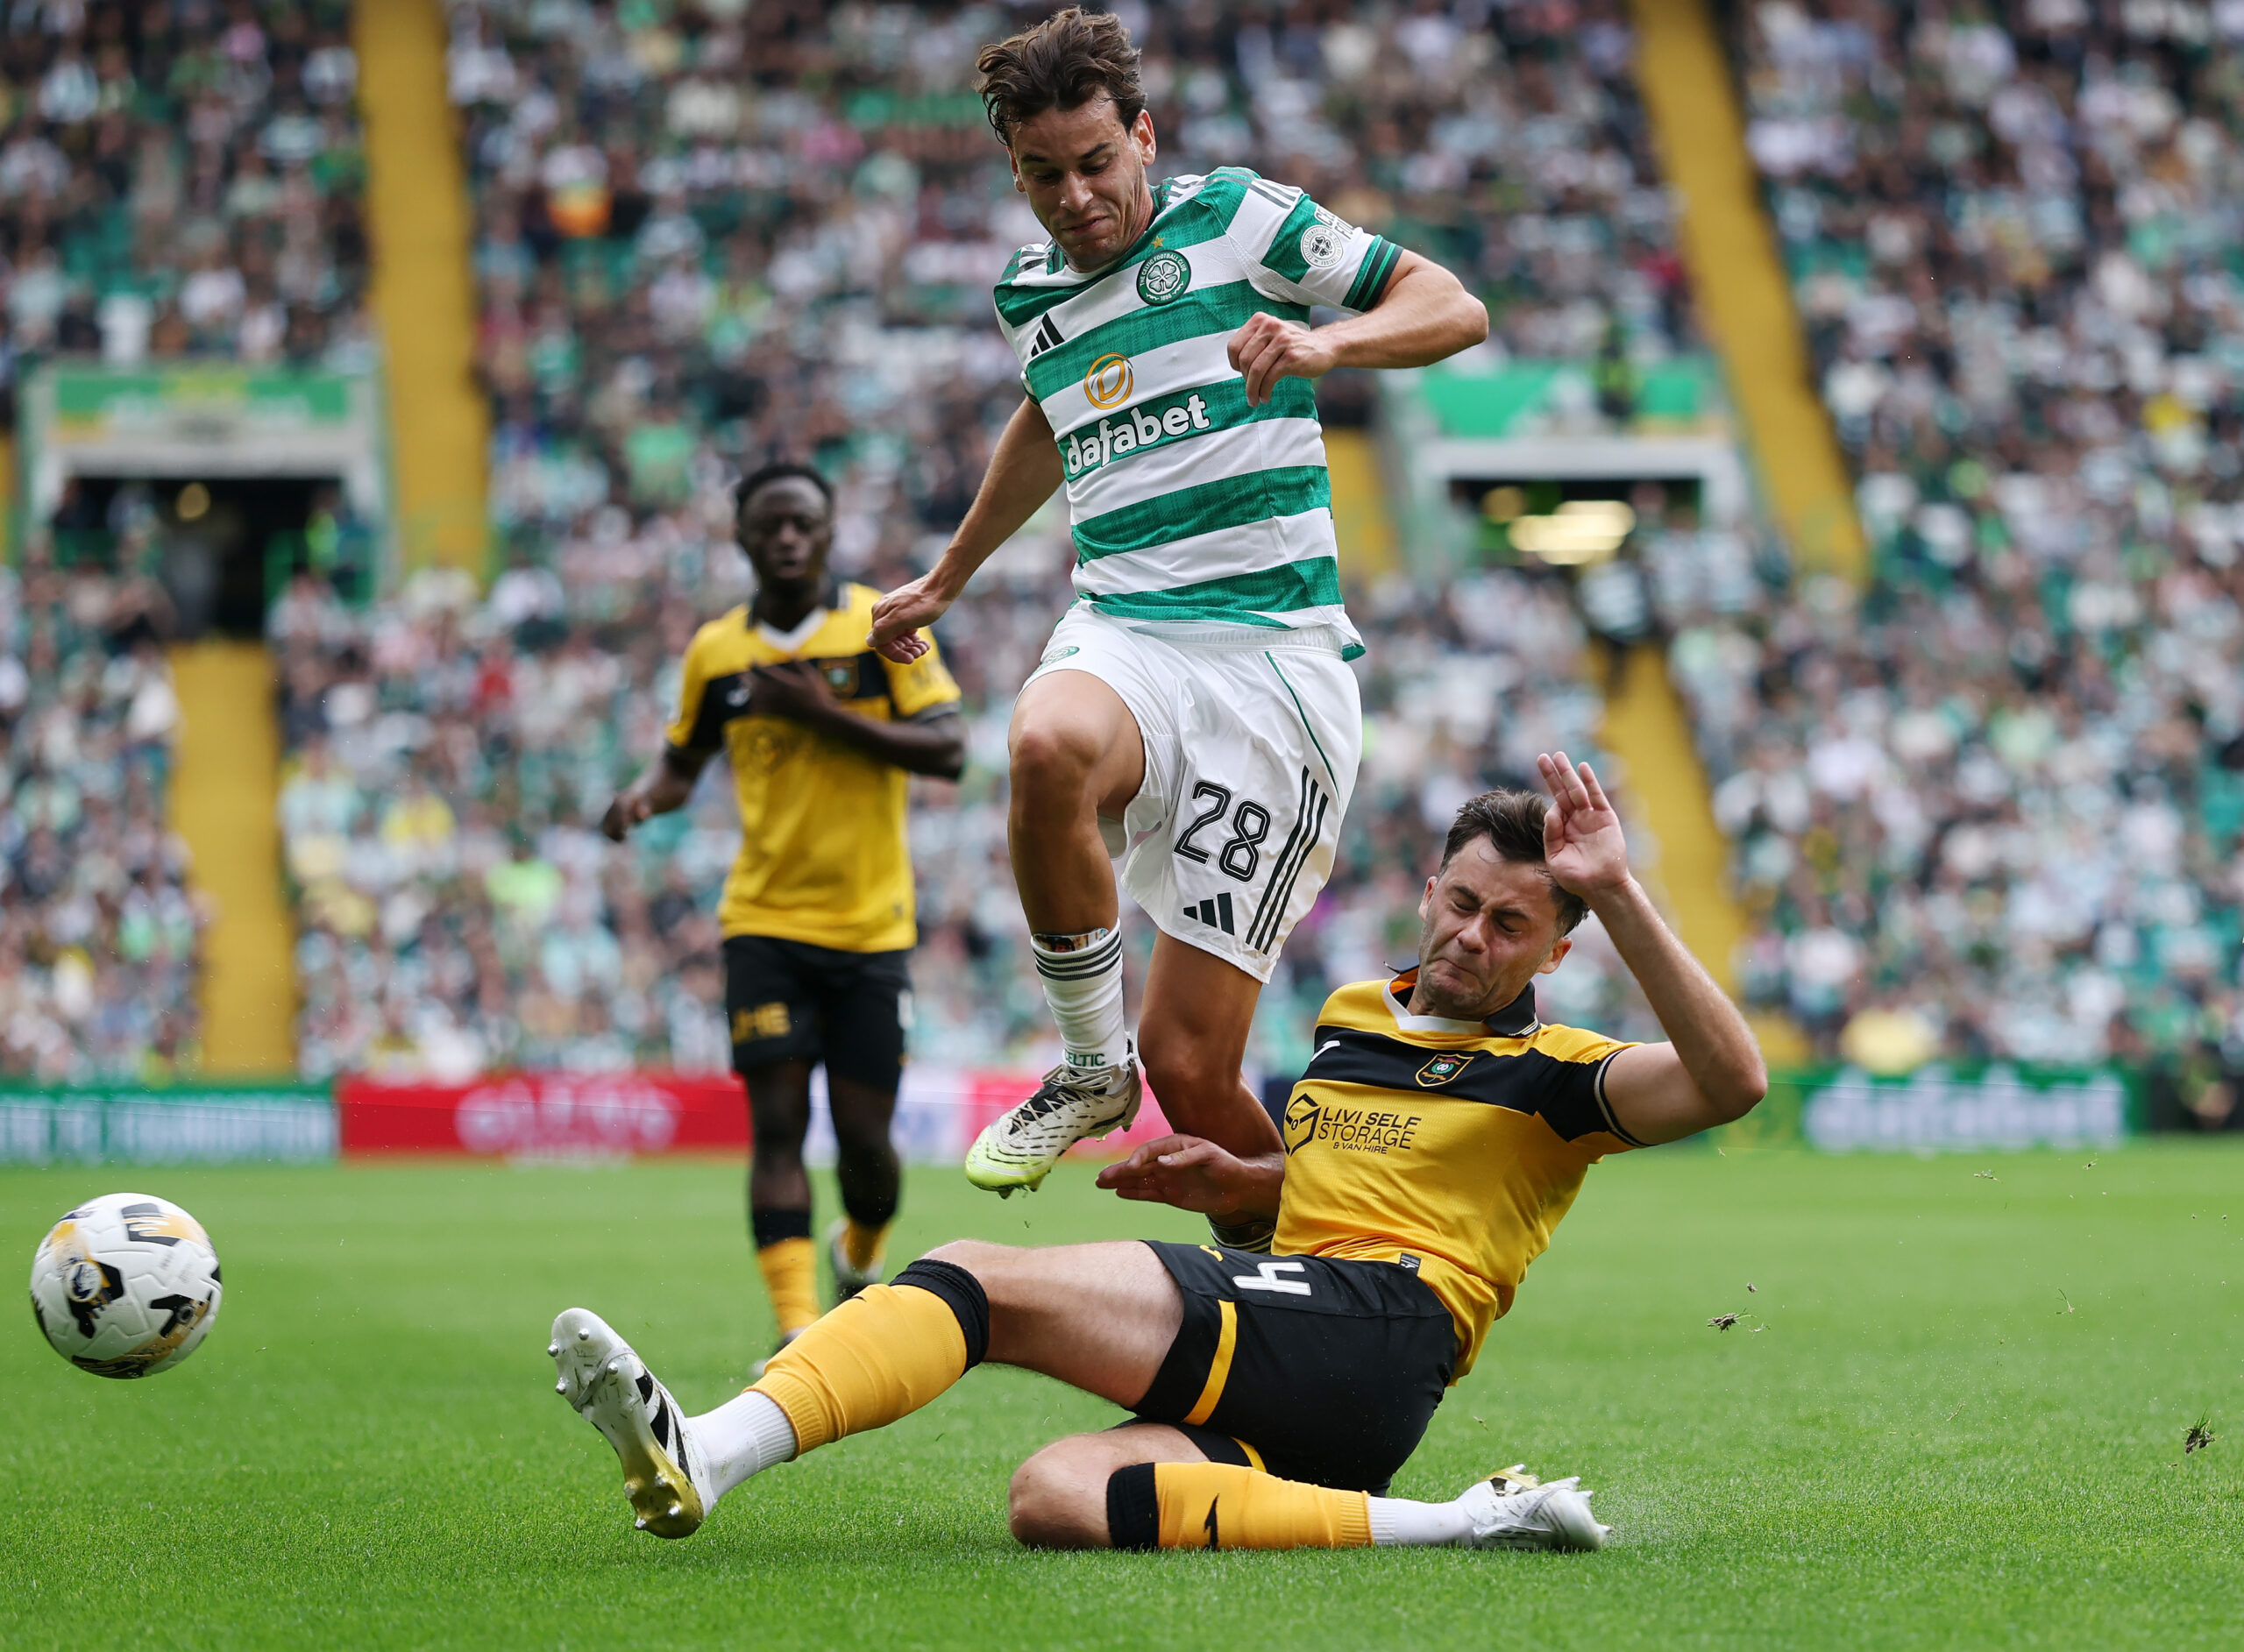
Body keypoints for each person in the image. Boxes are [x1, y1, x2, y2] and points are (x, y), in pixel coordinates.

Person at [550, 754, 1768, 1552]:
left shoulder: (1561, 1073)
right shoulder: (1352, 1015)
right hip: (1329, 1365)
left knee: (975, 1276)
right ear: (1428, 891)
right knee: (1058, 1497)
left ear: (1555, 951)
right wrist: (1241, 1189)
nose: (1474, 937)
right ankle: (1458, 1522)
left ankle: (707, 1447)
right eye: (1462, 902)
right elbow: (1333, 1198)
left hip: (1393, 1324)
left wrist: (1620, 893)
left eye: (1513, 925)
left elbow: (1730, 1081)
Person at [865, 9, 1489, 1236]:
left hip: (1274, 668)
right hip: (1131, 627)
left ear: (1144, 136)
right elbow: (1052, 413)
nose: (1076, 196)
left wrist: (1327, 339)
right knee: (1046, 744)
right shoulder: (1028, 293)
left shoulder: (1243, 220)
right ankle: (1093, 1068)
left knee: (1198, 1074)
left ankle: (1347, 1291)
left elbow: (1454, 306)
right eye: (1044, 174)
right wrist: (948, 578)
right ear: (1014, 172)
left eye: (1098, 162)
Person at [601, 463, 966, 1365]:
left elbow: (950, 750)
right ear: (743, 539)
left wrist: (822, 714)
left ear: (830, 528)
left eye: (803, 522)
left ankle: (860, 1251)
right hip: (762, 923)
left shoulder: (884, 626)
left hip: (871, 928)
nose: (788, 538)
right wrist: (643, 800)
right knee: (774, 1128)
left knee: (867, 1150)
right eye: (770, 526)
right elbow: (681, 765)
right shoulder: (716, 653)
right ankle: (799, 1325)